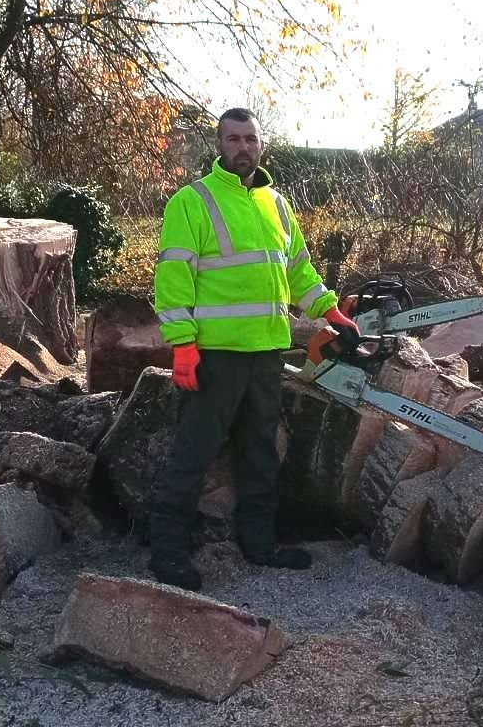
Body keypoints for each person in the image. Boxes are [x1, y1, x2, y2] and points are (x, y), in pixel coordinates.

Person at [150, 107, 359, 591]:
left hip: (266, 351)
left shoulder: (277, 204)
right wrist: (182, 345)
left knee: (261, 453)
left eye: (250, 139)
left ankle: (259, 545)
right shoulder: (192, 201)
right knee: (193, 454)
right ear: (218, 144)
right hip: (214, 355)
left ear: (261, 145)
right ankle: (167, 555)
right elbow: (173, 277)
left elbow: (299, 271)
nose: (243, 147)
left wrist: (330, 312)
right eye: (233, 139)